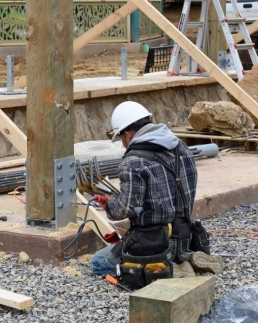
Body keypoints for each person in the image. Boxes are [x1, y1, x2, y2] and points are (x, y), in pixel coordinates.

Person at [89, 101, 220, 280]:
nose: (123, 145)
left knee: (99, 262)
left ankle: (166, 271)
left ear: (127, 135)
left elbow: (126, 209)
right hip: (184, 235)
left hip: (153, 242)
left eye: (121, 140)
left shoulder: (132, 162)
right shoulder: (181, 147)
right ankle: (186, 257)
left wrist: (110, 205)